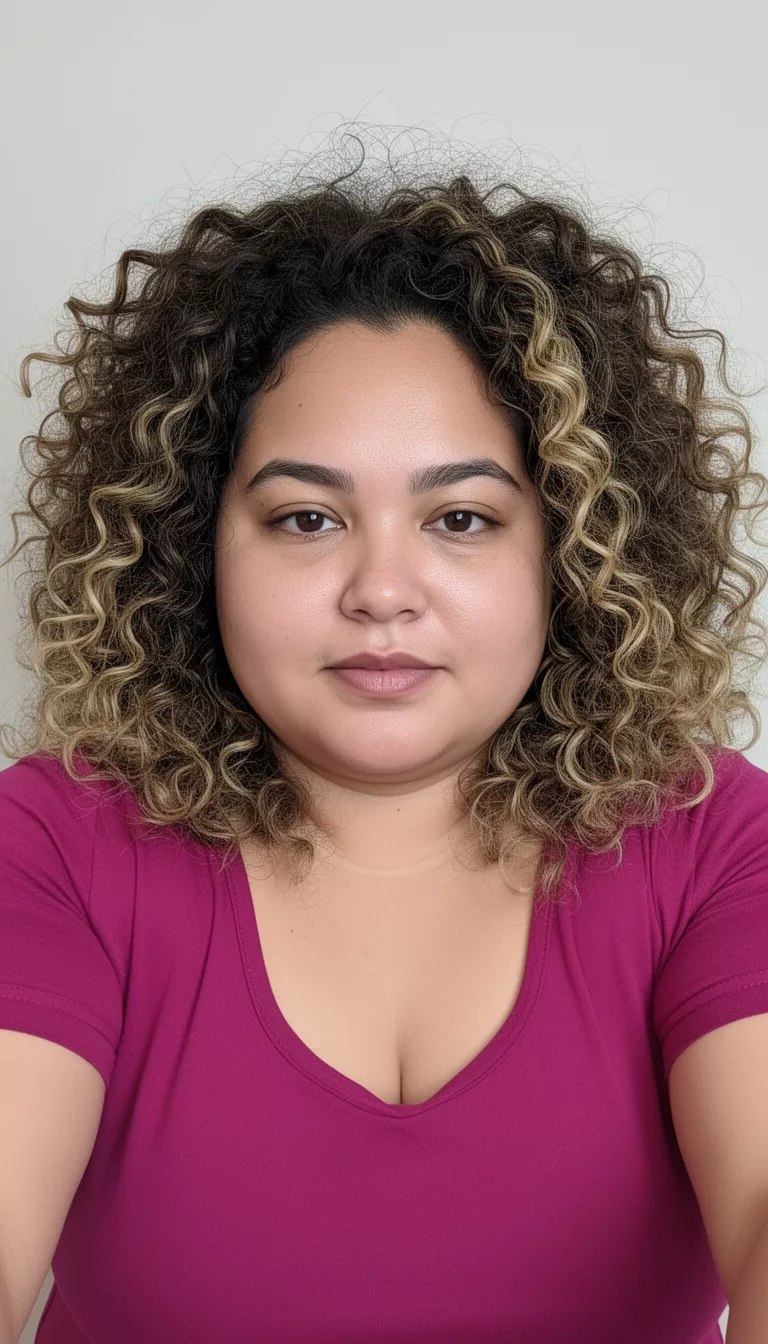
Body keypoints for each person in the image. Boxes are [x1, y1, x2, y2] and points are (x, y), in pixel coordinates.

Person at [0, 137, 767, 1343]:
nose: (382, 591)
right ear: (195, 545)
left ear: (569, 552)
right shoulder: (49, 841)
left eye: (461, 518)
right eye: (307, 518)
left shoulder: (717, 839)